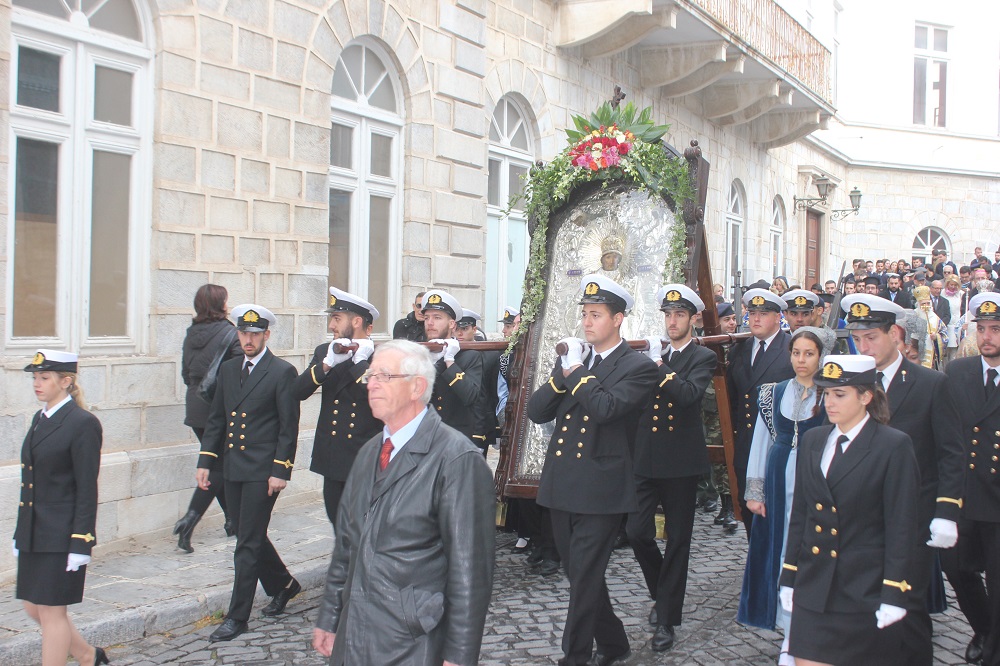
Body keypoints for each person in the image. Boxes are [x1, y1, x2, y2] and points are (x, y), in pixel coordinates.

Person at [312, 340, 495, 665]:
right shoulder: (369, 452)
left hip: (413, 640)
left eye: (384, 376)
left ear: (416, 387)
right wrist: (330, 616)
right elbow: (346, 545)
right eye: (371, 376)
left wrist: (459, 655)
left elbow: (470, 571)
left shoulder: (457, 459)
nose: (371, 384)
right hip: (355, 634)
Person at [527, 274, 659, 666]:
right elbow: (537, 411)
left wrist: (577, 371)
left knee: (583, 577)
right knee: (580, 574)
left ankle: (575, 657)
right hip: (563, 484)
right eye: (584, 313)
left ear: (618, 319)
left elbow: (605, 409)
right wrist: (563, 372)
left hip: (602, 490)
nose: (587, 322)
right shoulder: (575, 363)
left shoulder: (638, 367)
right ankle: (615, 644)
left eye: (596, 314)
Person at [843, 293, 965, 665]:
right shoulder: (850, 383)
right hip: (860, 518)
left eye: (871, 337)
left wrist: (946, 512)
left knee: (907, 610)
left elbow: (951, 453)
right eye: (856, 339)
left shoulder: (930, 383)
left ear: (895, 334)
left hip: (911, 518)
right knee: (861, 609)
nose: (863, 347)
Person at [778, 354, 920, 666]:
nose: (829, 402)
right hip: (814, 585)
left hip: (862, 589)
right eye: (826, 393)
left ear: (866, 396)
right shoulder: (814, 440)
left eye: (839, 394)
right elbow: (800, 514)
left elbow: (901, 526)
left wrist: (894, 592)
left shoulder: (893, 445)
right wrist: (789, 575)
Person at [196, 304, 302, 642]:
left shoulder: (282, 371)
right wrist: (206, 461)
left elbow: (288, 427)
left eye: (255, 334)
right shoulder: (229, 369)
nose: (248, 339)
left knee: (246, 543)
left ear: (266, 335)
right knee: (246, 533)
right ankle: (284, 584)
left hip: (263, 470)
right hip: (233, 466)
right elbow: (217, 419)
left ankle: (237, 617)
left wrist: (280, 470)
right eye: (243, 333)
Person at [627, 284, 717, 652]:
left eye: (679, 314)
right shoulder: (653, 353)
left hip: (680, 462)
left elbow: (689, 395)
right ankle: (661, 591)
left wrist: (659, 366)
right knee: (636, 532)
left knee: (678, 540)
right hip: (646, 458)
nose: (672, 321)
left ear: (693, 318)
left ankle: (666, 619)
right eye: (668, 315)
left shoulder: (702, 356)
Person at [738, 328, 832, 662]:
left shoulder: (830, 395)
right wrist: (755, 491)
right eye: (796, 353)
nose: (801, 360)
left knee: (810, 552)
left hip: (814, 480)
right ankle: (789, 632)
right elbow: (761, 441)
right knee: (780, 551)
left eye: (809, 353)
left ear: (821, 357)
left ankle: (810, 629)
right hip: (778, 480)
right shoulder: (774, 392)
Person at [15, 350, 110, 666]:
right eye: (35, 377)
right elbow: (31, 480)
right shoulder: (40, 418)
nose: (37, 383)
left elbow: (87, 487)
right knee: (32, 606)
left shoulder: (82, 423)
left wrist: (81, 541)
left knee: (52, 612)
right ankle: (88, 655)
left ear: (66, 381)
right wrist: (21, 532)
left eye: (44, 377)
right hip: (35, 531)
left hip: (62, 533)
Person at [941, 292, 1000, 666]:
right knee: (957, 570)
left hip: (997, 499)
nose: (987, 337)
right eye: (982, 329)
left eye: (996, 329)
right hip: (963, 493)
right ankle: (984, 629)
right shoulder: (958, 372)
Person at [292, 287, 381, 525]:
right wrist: (326, 365)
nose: (331, 325)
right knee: (337, 521)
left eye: (337, 319)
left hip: (364, 456)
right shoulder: (326, 352)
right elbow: (297, 391)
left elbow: (377, 394)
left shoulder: (380, 355)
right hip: (332, 454)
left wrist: (360, 363)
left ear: (357, 321)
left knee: (361, 525)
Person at [176, 284, 242, 552]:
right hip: (219, 408)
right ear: (221, 305)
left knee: (217, 464)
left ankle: (232, 520)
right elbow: (240, 372)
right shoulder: (230, 333)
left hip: (195, 406)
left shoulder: (191, 333)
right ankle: (190, 519)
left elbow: (185, 372)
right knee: (219, 467)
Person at [727, 288, 795, 534]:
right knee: (747, 507)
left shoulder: (791, 349)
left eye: (763, 314)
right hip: (747, 442)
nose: (755, 319)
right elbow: (734, 398)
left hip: (778, 442)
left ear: (778, 317)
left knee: (777, 508)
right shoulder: (739, 350)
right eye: (752, 313)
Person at [421, 289, 484, 443]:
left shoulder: (469, 356)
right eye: (427, 317)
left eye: (437, 317)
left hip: (455, 438)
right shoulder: (419, 355)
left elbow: (470, 396)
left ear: (452, 324)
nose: (430, 323)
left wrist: (449, 361)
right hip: (425, 435)